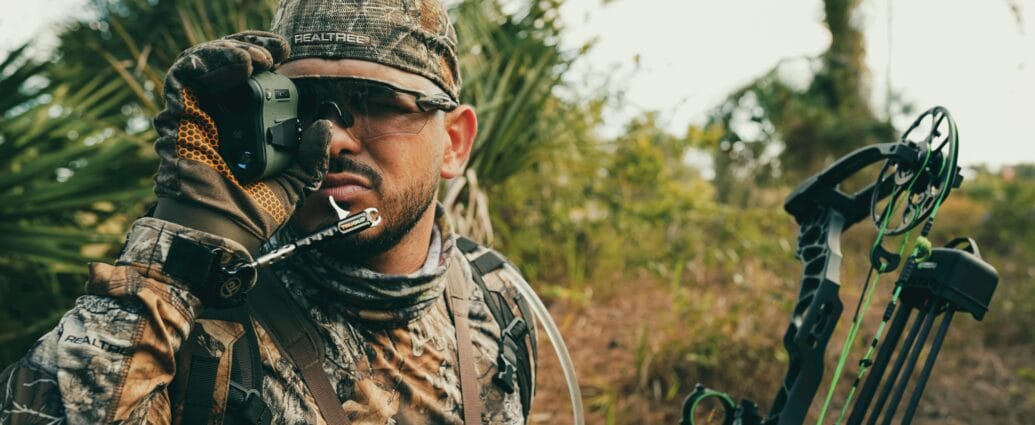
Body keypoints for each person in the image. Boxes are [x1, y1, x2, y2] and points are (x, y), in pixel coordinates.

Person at [0, 0, 538, 424]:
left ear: (454, 142)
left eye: (377, 102)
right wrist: (180, 245)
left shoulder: (498, 301)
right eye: (304, 105)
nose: (334, 139)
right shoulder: (199, 319)